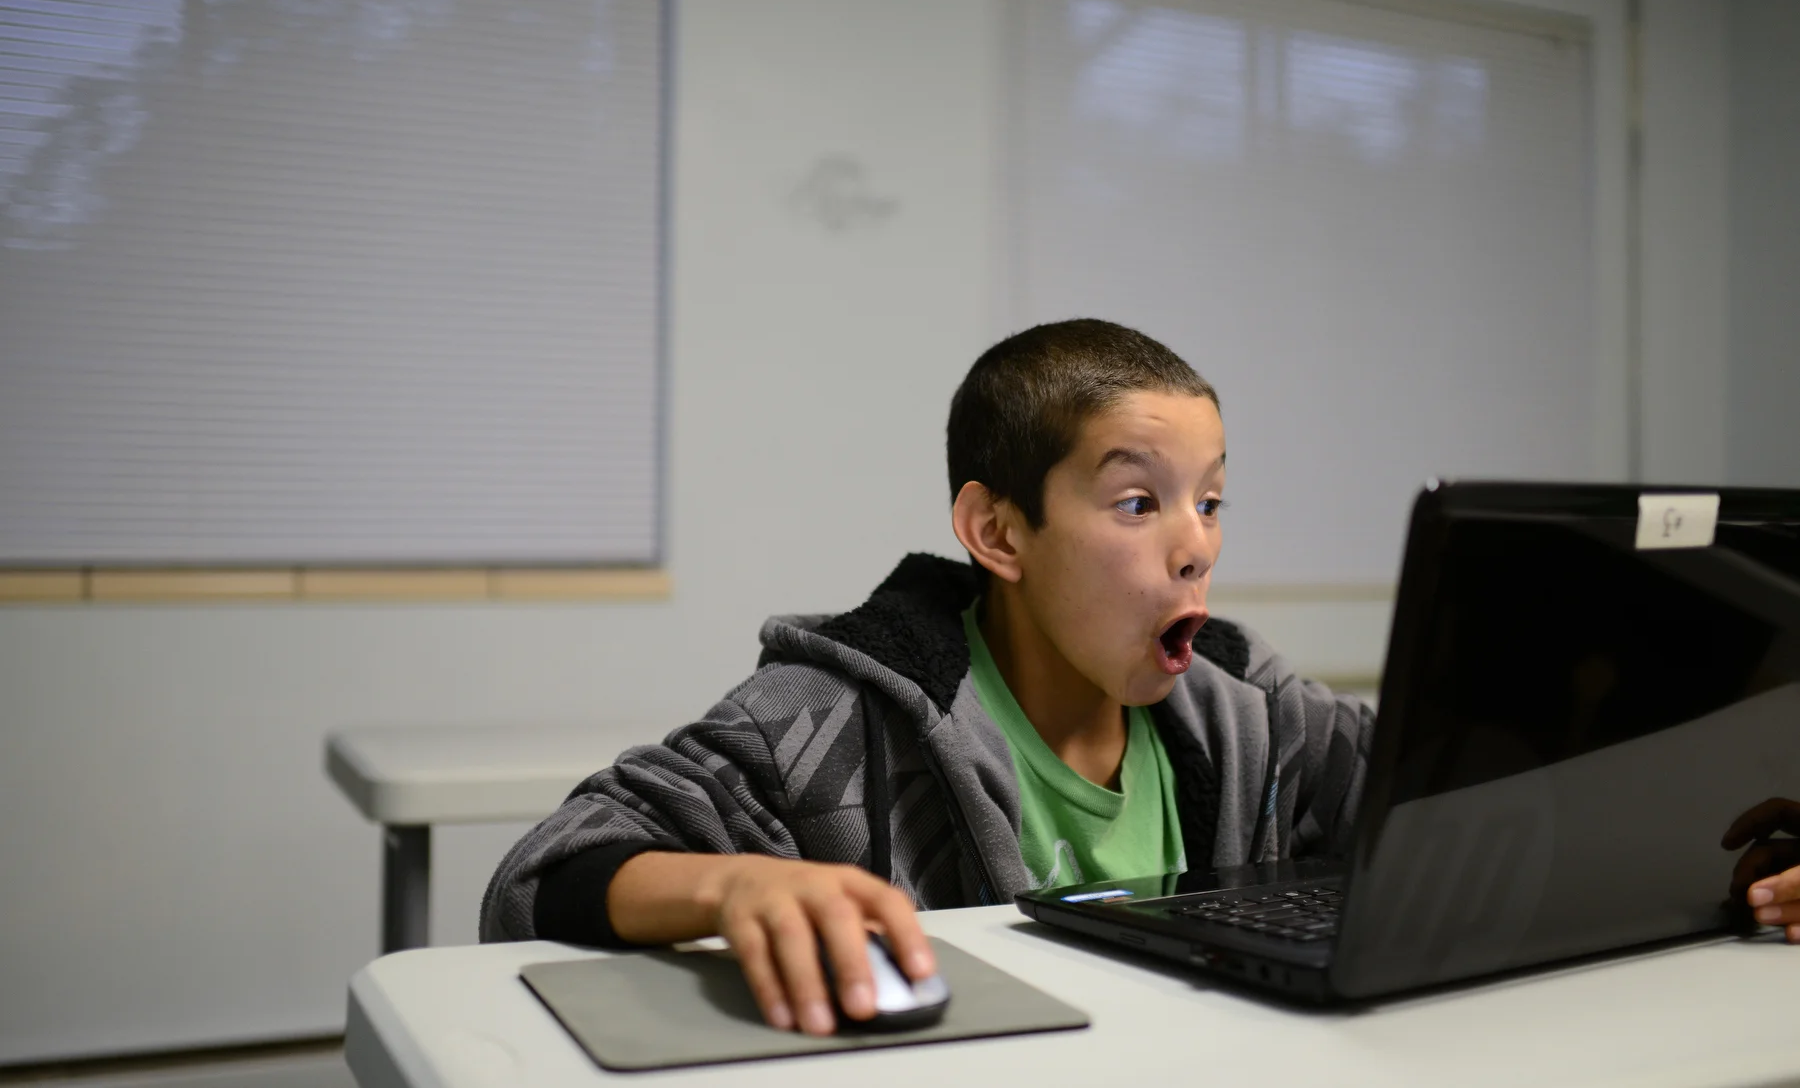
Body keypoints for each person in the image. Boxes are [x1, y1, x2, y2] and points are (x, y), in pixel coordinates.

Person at [479, 319, 1800, 1037]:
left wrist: (1747, 856)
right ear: (998, 533)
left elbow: (1497, 808)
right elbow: (545, 872)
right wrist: (734, 879)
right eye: (1135, 502)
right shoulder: (834, 715)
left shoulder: (1251, 714)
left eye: (1212, 502)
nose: (1194, 544)